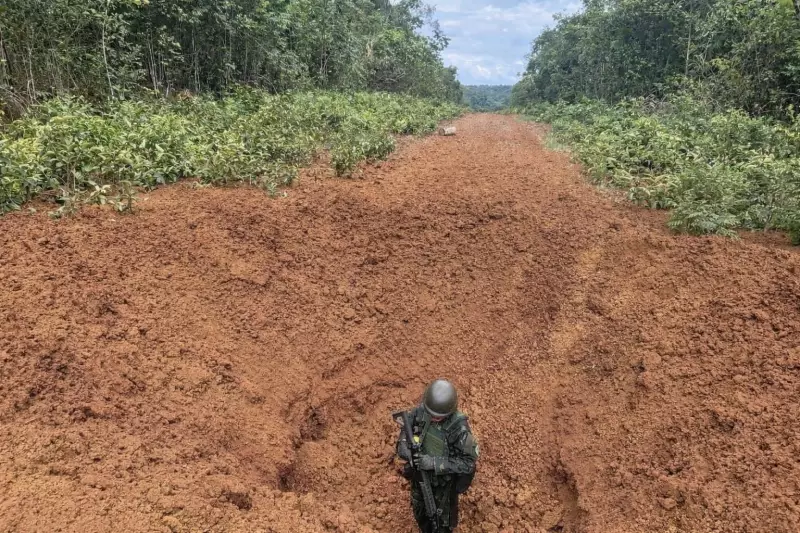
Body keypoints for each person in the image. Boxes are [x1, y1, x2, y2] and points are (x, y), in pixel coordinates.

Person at [395, 379, 480, 532]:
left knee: (441, 522)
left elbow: (468, 463)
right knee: (419, 508)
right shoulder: (423, 410)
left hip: (443, 485)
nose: (433, 418)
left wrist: (433, 463)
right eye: (430, 414)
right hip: (419, 474)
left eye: (438, 417)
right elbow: (406, 425)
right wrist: (404, 447)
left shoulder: (459, 429)